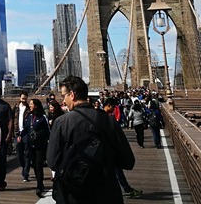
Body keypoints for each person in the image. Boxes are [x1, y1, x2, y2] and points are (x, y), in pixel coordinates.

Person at [47, 76, 135, 204]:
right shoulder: (110, 122)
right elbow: (128, 162)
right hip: (106, 194)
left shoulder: (61, 123)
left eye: (63, 96)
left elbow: (53, 162)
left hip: (73, 194)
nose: (63, 101)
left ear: (72, 95)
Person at [102, 100, 142, 199]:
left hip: (107, 151)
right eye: (113, 107)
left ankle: (125, 189)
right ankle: (126, 189)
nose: (114, 109)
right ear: (108, 106)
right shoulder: (106, 119)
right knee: (116, 171)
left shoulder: (101, 118)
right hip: (108, 152)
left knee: (115, 172)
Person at [22, 98, 50, 198]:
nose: (30, 106)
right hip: (30, 146)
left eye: (31, 104)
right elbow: (26, 129)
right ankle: (40, 182)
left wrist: (39, 134)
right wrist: (20, 135)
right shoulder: (29, 117)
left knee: (39, 166)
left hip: (40, 146)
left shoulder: (42, 118)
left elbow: (47, 132)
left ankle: (39, 186)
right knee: (34, 165)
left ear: (36, 106)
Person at [12, 90, 30, 172]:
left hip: (26, 133)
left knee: (27, 153)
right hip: (17, 132)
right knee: (19, 153)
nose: (24, 100)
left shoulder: (29, 108)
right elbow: (12, 119)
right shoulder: (16, 107)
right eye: (22, 98)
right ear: (20, 98)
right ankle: (23, 166)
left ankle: (26, 172)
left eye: (25, 99)